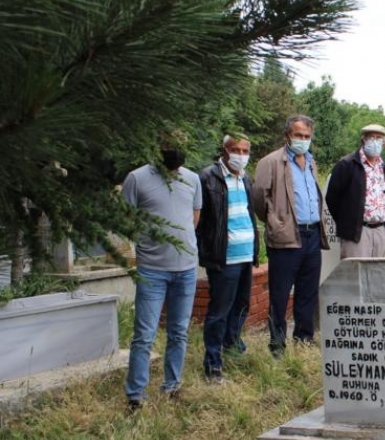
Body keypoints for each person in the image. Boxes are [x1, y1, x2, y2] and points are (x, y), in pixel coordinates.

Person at [122, 139, 201, 409]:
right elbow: (127, 218)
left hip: (186, 269)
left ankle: (172, 386)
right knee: (144, 335)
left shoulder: (192, 179)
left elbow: (194, 216)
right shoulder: (137, 178)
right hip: (152, 270)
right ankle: (136, 395)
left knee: (179, 332)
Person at [253, 115, 330, 356]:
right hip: (286, 237)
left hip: (312, 234)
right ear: (288, 135)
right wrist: (275, 222)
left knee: (308, 291)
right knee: (280, 293)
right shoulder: (271, 162)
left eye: (307, 136)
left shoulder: (311, 161)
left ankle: (304, 338)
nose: (303, 140)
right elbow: (258, 197)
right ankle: (277, 345)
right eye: (298, 135)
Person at [196, 133, 260, 383]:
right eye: (236, 150)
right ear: (224, 150)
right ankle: (213, 364)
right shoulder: (208, 177)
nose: (241, 156)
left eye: (245, 151)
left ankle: (232, 349)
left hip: (246, 255)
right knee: (219, 311)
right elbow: (199, 219)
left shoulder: (246, 178)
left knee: (241, 306)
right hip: (224, 257)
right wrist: (205, 249)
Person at [326, 124, 385, 258]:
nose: (375, 141)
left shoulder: (383, 166)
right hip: (357, 232)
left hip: (380, 230)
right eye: (371, 137)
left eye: (379, 138)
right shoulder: (347, 164)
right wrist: (347, 222)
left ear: (384, 143)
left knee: (379, 270)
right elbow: (332, 198)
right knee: (355, 270)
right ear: (363, 140)